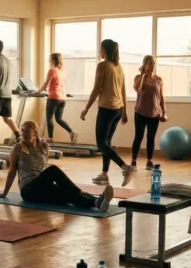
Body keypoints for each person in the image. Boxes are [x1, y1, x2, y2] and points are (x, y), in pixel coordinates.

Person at [0, 121, 114, 211]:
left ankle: (97, 202)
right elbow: (12, 171)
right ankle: (81, 192)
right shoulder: (17, 148)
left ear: (35, 132)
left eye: (27, 130)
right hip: (28, 190)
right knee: (53, 170)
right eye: (22, 130)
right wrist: (5, 193)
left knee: (65, 194)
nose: (24, 133)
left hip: (42, 186)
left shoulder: (44, 147)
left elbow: (42, 169)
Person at [81, 39, 135, 187]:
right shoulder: (119, 67)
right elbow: (123, 90)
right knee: (107, 143)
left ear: (104, 50)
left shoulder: (103, 65)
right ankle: (104, 175)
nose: (99, 51)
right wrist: (125, 111)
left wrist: (86, 108)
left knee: (101, 143)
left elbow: (96, 89)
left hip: (107, 108)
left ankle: (125, 167)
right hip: (118, 109)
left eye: (100, 49)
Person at [131, 55, 168, 170]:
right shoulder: (138, 77)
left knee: (151, 138)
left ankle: (149, 161)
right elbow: (137, 88)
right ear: (144, 65)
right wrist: (142, 74)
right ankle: (133, 162)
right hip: (140, 112)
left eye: (154, 63)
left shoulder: (159, 79)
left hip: (155, 113)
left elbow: (161, 96)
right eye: (150, 63)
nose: (153, 65)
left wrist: (164, 112)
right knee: (138, 137)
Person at [35, 52, 77, 144]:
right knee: (59, 119)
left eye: (50, 59)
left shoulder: (52, 70)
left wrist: (38, 91)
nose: (49, 61)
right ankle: (71, 132)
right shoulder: (61, 71)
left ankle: (50, 138)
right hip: (62, 98)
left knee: (49, 118)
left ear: (53, 60)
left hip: (54, 97)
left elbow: (46, 84)